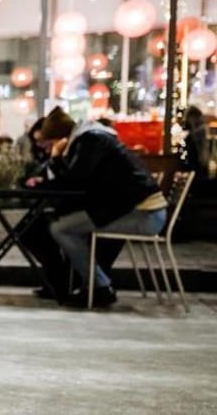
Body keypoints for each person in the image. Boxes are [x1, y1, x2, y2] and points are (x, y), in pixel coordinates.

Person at [24, 107, 166, 308]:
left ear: (61, 137)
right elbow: (79, 181)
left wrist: (54, 162)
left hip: (143, 214)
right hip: (136, 210)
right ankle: (82, 283)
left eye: (50, 143)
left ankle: (99, 287)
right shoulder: (91, 139)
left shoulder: (91, 141)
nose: (47, 148)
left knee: (61, 228)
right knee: (59, 224)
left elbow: (76, 181)